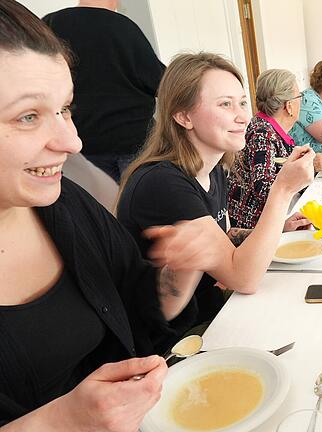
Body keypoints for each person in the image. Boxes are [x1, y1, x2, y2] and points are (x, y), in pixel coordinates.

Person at [0, 1, 206, 428]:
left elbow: (139, 308)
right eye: (28, 116)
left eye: (65, 109)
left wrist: (177, 276)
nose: (72, 141)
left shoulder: (65, 204)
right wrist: (60, 422)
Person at [117, 53, 315, 325]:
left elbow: (226, 236)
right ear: (183, 116)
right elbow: (243, 277)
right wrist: (282, 191)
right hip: (172, 338)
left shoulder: (214, 169)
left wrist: (280, 227)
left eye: (243, 103)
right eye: (225, 104)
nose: (243, 117)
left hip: (210, 311)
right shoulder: (163, 183)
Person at [42, 0, 165, 182]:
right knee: (144, 203)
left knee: (101, 207)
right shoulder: (123, 27)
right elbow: (161, 82)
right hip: (134, 140)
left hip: (82, 144)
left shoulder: (49, 24)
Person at [228, 69, 322, 228]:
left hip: (274, 216)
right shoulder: (262, 133)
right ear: (289, 106)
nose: (302, 102)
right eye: (300, 97)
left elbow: (279, 167)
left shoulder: (269, 128)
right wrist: (308, 166)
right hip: (256, 226)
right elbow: (262, 188)